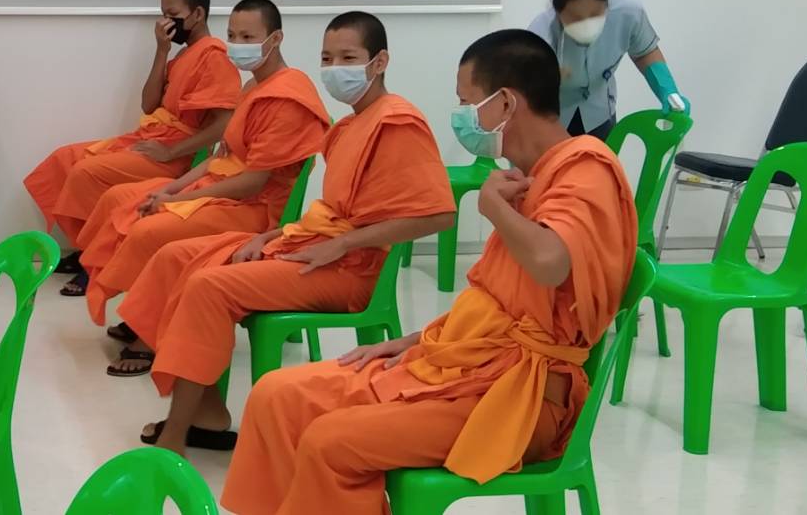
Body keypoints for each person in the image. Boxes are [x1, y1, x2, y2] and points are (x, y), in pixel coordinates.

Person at [220, 29, 638, 515]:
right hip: (467, 360)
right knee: (276, 395)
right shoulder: (530, 174)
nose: (461, 115)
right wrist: (421, 339)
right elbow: (500, 301)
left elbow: (550, 263)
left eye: (466, 102)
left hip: (520, 397)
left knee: (331, 442)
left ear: (505, 103)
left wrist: (492, 208)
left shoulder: (585, 166)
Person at [108, 12, 457, 453]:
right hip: (316, 243)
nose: (334, 69)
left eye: (348, 58)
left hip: (353, 267)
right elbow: (330, 211)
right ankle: (207, 413)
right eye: (327, 58)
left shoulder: (398, 122)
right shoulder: (350, 125)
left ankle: (175, 437)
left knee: (209, 286)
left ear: (380, 61)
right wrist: (273, 236)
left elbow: (439, 216)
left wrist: (342, 244)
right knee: (184, 258)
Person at [69, 0, 327, 328]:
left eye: (248, 37)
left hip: (254, 206)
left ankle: (147, 325)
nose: (237, 45)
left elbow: (252, 182)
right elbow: (222, 157)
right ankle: (137, 308)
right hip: (216, 185)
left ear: (275, 38)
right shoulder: (253, 85)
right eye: (232, 35)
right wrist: (173, 190)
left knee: (148, 229)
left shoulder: (287, 97)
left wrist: (178, 199)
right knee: (123, 198)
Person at [25, 0, 241, 293]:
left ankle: (97, 262)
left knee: (86, 172)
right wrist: (161, 51)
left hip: (176, 155)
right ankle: (86, 250)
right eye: (163, 15)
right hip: (152, 138)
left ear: (197, 14)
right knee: (64, 158)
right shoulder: (183, 55)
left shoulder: (214, 57)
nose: (165, 23)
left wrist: (171, 152)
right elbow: (149, 104)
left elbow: (223, 124)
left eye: (173, 15)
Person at [527, 0, 688, 139]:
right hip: (553, 117)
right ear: (558, 12)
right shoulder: (540, 34)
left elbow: (644, 52)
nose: (587, 23)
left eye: (595, 13)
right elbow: (526, 91)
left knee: (602, 156)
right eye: (576, 18)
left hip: (599, 113)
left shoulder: (628, 13)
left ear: (606, 1)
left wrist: (667, 90)